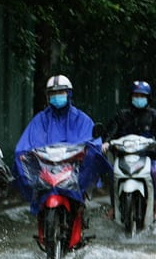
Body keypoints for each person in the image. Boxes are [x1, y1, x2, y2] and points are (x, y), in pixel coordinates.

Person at [13, 74, 110, 213]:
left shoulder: (81, 119)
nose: (57, 96)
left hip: (73, 171)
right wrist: (23, 153)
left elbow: (92, 141)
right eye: (53, 93)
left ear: (68, 94)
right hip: (47, 170)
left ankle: (79, 210)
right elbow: (26, 143)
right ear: (48, 96)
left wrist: (89, 150)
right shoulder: (40, 119)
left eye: (61, 92)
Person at [102, 80, 156, 216]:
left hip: (148, 157)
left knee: (155, 173)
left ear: (148, 98)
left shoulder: (153, 115)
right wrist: (107, 142)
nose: (139, 99)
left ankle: (154, 205)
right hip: (124, 156)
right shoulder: (122, 115)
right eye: (136, 95)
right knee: (113, 174)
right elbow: (111, 131)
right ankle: (114, 207)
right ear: (130, 97)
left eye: (142, 96)